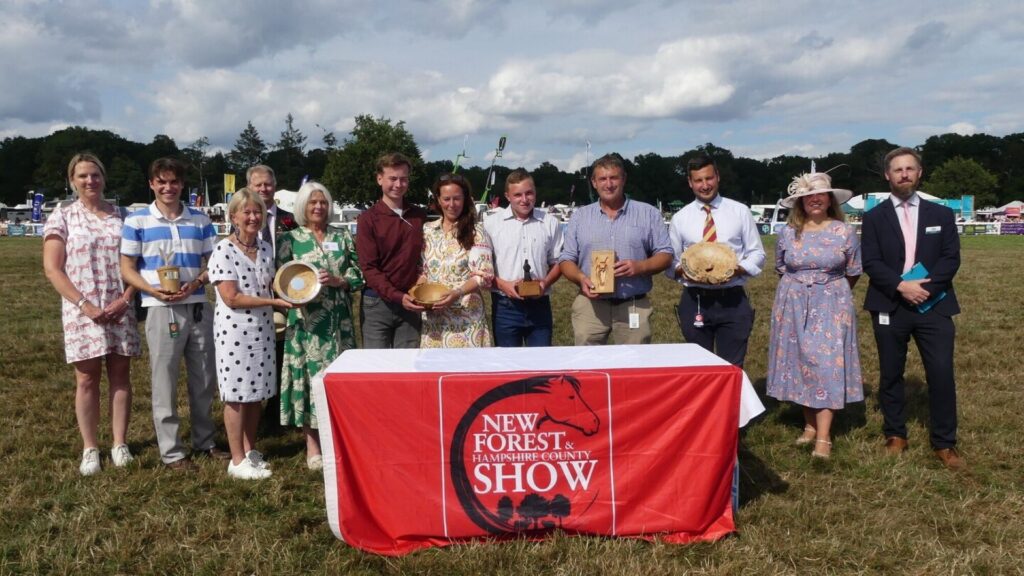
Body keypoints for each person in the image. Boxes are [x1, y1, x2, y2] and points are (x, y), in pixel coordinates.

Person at [121, 157, 228, 471]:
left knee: (205, 378)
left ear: (182, 185)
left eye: (174, 182)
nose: (168, 188)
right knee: (164, 379)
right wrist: (152, 290)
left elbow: (214, 262)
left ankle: (205, 440)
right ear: (152, 184)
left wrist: (196, 281)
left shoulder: (200, 220)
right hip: (159, 307)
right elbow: (126, 267)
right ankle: (172, 451)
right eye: (162, 182)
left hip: (197, 305)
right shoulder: (137, 221)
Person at [862, 147, 963, 470]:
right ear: (887, 176)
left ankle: (945, 443)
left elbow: (951, 258)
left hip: (934, 304)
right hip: (890, 302)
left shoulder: (941, 215)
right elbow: (871, 261)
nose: (904, 174)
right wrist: (901, 286)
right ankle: (896, 434)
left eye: (910, 168)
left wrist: (925, 289)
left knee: (941, 373)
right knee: (891, 373)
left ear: (919, 173)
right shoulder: (874, 217)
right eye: (897, 170)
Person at [43, 153, 141, 476]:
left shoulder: (123, 216)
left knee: (120, 376)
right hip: (81, 311)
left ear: (104, 178)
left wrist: (126, 299)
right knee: (86, 379)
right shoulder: (63, 216)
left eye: (95, 175)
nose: (89, 181)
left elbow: (137, 265)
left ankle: (119, 443)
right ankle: (89, 448)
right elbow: (53, 269)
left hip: (120, 308)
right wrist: (85, 305)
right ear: (72, 181)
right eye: (82, 176)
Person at [766, 172, 863, 459]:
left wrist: (828, 290)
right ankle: (808, 425)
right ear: (800, 202)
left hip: (831, 302)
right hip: (793, 301)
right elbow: (781, 266)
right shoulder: (788, 232)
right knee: (801, 361)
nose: (815, 199)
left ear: (830, 199)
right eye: (808, 196)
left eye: (821, 194)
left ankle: (824, 436)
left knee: (825, 363)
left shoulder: (844, 232)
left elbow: (854, 271)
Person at [277, 181, 364, 470]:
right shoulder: (290, 239)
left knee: (337, 382)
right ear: (303, 206)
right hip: (306, 324)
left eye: (323, 202)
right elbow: (278, 280)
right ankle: (312, 446)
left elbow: (359, 272)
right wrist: (294, 294)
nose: (318, 207)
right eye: (313, 202)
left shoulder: (341, 237)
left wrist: (341, 280)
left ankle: (337, 442)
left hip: (338, 323)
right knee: (310, 378)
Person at [208, 188, 293, 479]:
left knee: (256, 394)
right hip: (235, 333)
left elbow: (274, 284)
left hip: (263, 330)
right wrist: (273, 302)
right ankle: (236, 459)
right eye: (247, 212)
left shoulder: (266, 249)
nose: (253, 217)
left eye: (257, 212)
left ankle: (249, 449)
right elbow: (231, 297)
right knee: (236, 394)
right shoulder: (223, 250)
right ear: (233, 216)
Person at [559, 154, 673, 345]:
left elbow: (665, 254)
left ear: (624, 179)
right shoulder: (580, 217)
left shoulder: (648, 213)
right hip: (591, 305)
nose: (609, 184)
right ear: (594, 182)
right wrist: (581, 279)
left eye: (614, 177)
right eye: (602, 179)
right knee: (589, 366)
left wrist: (640, 267)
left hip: (633, 303)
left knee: (634, 366)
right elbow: (566, 259)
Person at [666, 154, 765, 367]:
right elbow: (670, 262)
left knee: (732, 367)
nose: (705, 185)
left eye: (709, 178)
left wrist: (736, 269)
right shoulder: (680, 218)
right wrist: (687, 271)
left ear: (717, 177)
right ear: (690, 183)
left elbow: (757, 253)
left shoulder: (740, 211)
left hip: (733, 299)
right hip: (695, 301)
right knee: (699, 367)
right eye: (698, 180)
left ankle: (732, 401)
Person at [483, 168, 563, 347]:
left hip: (539, 304)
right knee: (508, 366)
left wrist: (545, 283)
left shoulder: (550, 222)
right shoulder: (491, 225)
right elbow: (483, 268)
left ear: (535, 193)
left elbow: (558, 263)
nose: (524, 199)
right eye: (518, 195)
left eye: (529, 193)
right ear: (507, 196)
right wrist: (504, 285)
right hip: (505, 305)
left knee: (541, 364)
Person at [356, 153, 428, 348]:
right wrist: (397, 296)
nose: (398, 184)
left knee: (407, 365)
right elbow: (369, 268)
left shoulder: (418, 217)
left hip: (411, 301)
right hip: (378, 303)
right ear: (379, 179)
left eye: (403, 179)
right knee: (377, 366)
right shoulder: (367, 220)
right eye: (393, 178)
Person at [244, 165, 296, 433]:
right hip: (249, 298)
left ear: (275, 185)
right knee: (253, 354)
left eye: (268, 184)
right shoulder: (241, 220)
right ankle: (251, 409)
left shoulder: (291, 219)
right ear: (249, 188)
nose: (264, 189)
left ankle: (275, 412)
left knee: (280, 354)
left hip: (285, 295)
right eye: (258, 185)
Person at [419, 173, 494, 348]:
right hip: (434, 318)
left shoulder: (476, 231)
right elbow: (422, 270)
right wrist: (419, 293)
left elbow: (483, 275)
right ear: (438, 200)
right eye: (446, 199)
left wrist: (456, 293)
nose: (451, 205)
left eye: (457, 199)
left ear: (465, 199)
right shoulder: (427, 230)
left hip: (467, 317)